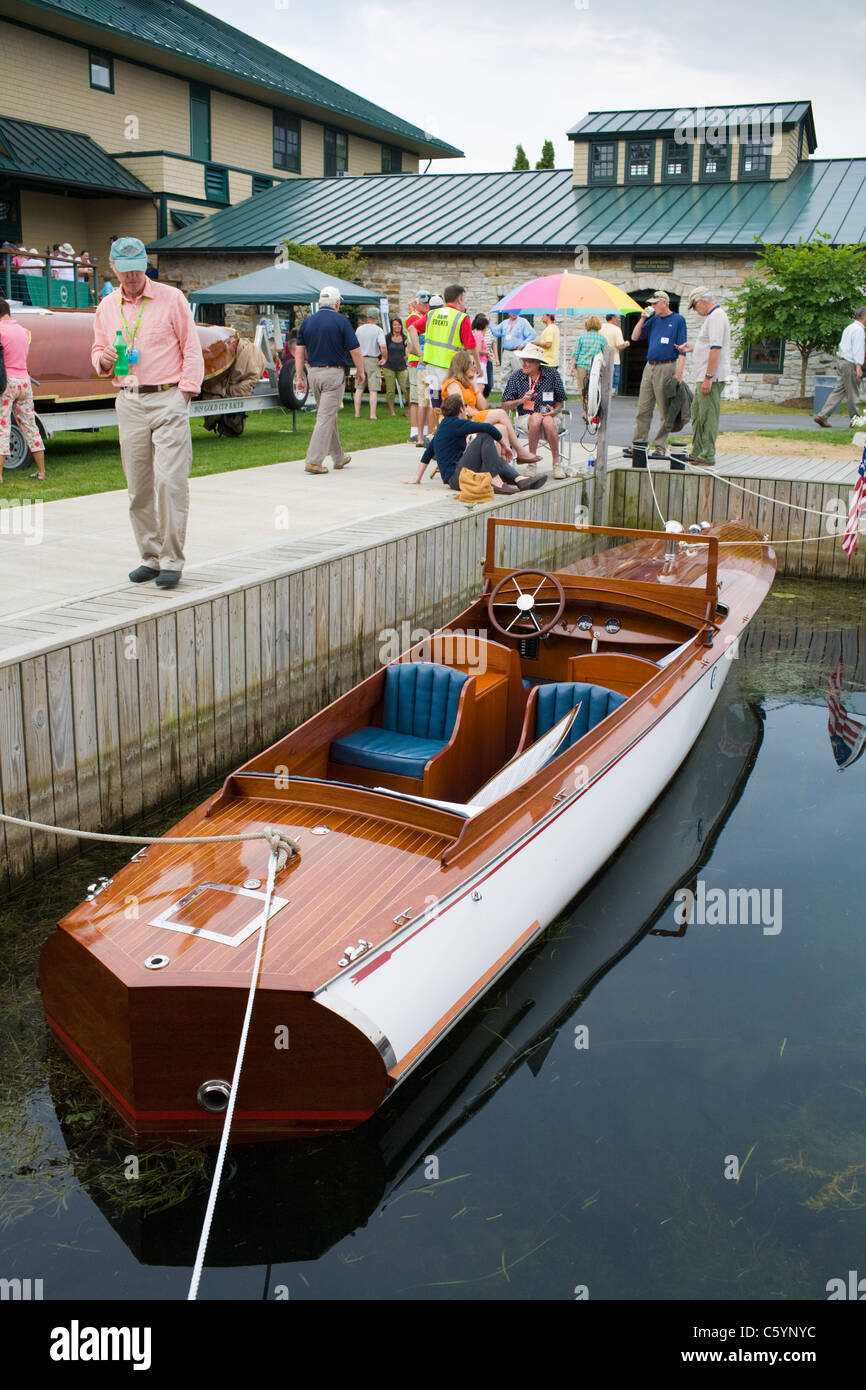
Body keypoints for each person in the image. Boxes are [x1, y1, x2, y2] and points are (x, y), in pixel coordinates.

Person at [90, 236, 204, 588]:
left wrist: (184, 392)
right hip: (128, 399)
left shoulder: (172, 299)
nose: (131, 277)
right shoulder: (107, 306)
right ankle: (150, 557)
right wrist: (102, 361)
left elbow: (191, 347)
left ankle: (173, 560)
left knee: (170, 480)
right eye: (124, 272)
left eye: (137, 270)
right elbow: (97, 351)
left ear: (146, 265)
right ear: (113, 269)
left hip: (167, 397)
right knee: (138, 487)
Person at [405, 394, 546, 492]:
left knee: (490, 456)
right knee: (484, 436)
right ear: (461, 409)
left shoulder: (443, 427)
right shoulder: (456, 423)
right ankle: (496, 481)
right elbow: (487, 428)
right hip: (457, 478)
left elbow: (427, 454)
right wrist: (505, 446)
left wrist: (417, 478)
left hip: (455, 477)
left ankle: (520, 480)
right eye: (464, 406)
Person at [294, 285, 364, 475]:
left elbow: (299, 351)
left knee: (327, 415)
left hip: (313, 373)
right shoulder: (341, 321)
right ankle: (314, 461)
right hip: (334, 373)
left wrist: (299, 376)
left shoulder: (307, 322)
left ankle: (338, 456)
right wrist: (361, 371)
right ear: (337, 303)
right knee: (325, 417)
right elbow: (355, 350)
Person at [442, 350, 539, 463]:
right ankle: (520, 451)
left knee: (501, 428)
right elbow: (460, 407)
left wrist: (475, 386)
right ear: (463, 365)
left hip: (472, 418)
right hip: (460, 421)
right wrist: (473, 410)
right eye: (472, 364)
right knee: (501, 413)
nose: (475, 367)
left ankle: (502, 467)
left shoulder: (468, 385)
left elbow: (483, 406)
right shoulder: (453, 384)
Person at [676, 287, 732, 467]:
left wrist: (709, 376)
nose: (694, 310)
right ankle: (698, 451)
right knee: (698, 413)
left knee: (708, 415)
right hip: (703, 376)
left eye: (694, 306)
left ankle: (707, 454)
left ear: (701, 301)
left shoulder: (716, 316)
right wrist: (692, 347)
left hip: (710, 377)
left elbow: (716, 348)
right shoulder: (712, 317)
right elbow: (709, 345)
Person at [628, 291, 686, 458]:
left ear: (664, 303)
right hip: (650, 366)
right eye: (651, 304)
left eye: (654, 303)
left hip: (667, 366)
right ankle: (638, 444)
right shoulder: (653, 320)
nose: (652, 306)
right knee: (643, 407)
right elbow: (634, 336)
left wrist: (679, 372)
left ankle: (660, 446)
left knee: (665, 409)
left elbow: (682, 349)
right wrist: (643, 318)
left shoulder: (678, 320)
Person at [500, 342, 568, 478]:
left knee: (548, 421)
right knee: (536, 417)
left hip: (551, 416)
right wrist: (521, 400)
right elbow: (505, 405)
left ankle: (556, 463)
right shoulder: (517, 377)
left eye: (528, 361)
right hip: (526, 417)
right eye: (523, 360)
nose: (524, 364)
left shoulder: (552, 374)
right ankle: (532, 461)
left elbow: (561, 400)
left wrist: (555, 410)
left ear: (538, 363)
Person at [0, 299, 47, 483]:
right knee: (30, 425)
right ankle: (41, 471)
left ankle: (0, 475)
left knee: (2, 427)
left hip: (6, 383)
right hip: (24, 382)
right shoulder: (24, 332)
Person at [422, 284, 478, 408]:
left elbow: (411, 328)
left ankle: (438, 426)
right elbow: (470, 347)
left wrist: (420, 354)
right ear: (459, 300)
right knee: (452, 402)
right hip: (451, 366)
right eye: (464, 299)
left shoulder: (432, 314)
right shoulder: (461, 317)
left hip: (432, 364)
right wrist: (476, 366)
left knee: (435, 402)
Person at [814, 307, 866, 428]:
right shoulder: (859, 330)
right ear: (864, 316)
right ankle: (855, 419)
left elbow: (842, 345)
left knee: (838, 391)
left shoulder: (849, 328)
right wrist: (859, 366)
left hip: (842, 361)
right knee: (853, 392)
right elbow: (857, 349)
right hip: (850, 364)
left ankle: (822, 415)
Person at [406, 292, 433, 445]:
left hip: (421, 362)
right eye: (423, 303)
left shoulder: (423, 317)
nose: (426, 305)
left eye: (427, 303)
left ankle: (422, 435)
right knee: (421, 400)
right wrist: (422, 354)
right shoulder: (415, 318)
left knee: (423, 401)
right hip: (419, 363)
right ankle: (417, 433)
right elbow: (410, 345)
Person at [570, 315, 606, 419]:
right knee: (594, 390)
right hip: (595, 367)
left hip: (582, 366)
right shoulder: (602, 338)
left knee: (583, 391)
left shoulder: (582, 337)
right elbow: (605, 353)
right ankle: (593, 411)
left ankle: (585, 412)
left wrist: (572, 367)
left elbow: (575, 353)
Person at [354, 307, 386, 419]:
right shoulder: (378, 330)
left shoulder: (359, 329)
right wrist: (384, 357)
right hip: (373, 360)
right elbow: (383, 346)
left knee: (359, 388)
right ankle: (372, 415)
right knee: (373, 389)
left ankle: (357, 413)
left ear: (368, 317)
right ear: (377, 317)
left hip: (360, 359)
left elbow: (355, 346)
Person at [489, 309, 537, 382]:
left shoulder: (523, 322)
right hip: (506, 352)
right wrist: (488, 325)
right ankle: (505, 393)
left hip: (517, 352)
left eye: (516, 311)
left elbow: (532, 335)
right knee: (504, 376)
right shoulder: (504, 323)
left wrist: (522, 344)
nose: (514, 313)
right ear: (508, 313)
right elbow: (495, 332)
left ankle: (520, 392)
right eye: (512, 311)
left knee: (520, 374)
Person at [381, 316, 409, 416]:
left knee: (406, 389)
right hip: (389, 367)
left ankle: (410, 410)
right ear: (392, 326)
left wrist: (407, 356)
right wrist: (383, 358)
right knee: (390, 391)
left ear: (401, 326)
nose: (397, 326)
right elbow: (383, 348)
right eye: (395, 325)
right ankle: (392, 411)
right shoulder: (387, 338)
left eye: (399, 324)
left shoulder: (405, 338)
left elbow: (409, 349)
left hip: (402, 367)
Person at [472, 313, 499, 398]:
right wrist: (488, 353)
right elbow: (478, 350)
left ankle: (481, 400)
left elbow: (493, 343)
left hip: (485, 361)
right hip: (480, 362)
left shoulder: (483, 334)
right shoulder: (479, 335)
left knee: (485, 384)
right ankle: (479, 402)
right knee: (480, 385)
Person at [600, 313, 627, 392]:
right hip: (613, 360)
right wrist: (627, 343)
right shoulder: (616, 329)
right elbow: (620, 346)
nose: (620, 320)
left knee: (601, 380)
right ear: (613, 318)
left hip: (601, 358)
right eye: (618, 318)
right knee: (612, 383)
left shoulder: (600, 327)